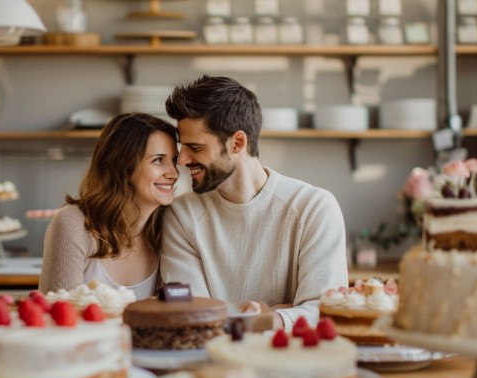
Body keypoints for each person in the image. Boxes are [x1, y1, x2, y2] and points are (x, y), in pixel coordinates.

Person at [160, 75, 348, 330]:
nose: (181, 161)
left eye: (195, 147)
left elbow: (327, 312)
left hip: (293, 363)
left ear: (237, 143)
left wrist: (260, 319)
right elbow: (191, 317)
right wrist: (279, 315)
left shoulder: (314, 208)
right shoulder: (182, 215)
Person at [40, 113, 179, 299]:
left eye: (174, 161)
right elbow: (57, 315)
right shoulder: (74, 224)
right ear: (122, 166)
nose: (174, 173)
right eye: (158, 160)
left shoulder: (171, 227)